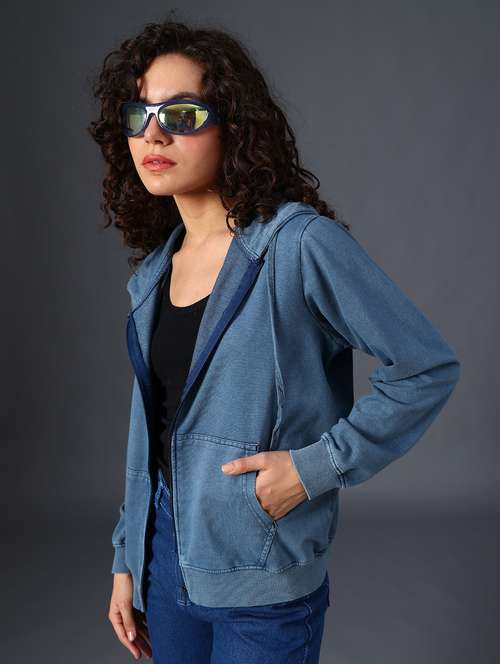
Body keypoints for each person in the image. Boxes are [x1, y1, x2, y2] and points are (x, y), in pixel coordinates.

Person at [87, 14, 461, 664]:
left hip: (261, 572)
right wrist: (128, 555)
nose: (154, 133)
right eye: (139, 114)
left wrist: (313, 470)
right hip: (163, 559)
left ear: (232, 124)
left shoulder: (298, 245)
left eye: (181, 114)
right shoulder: (156, 273)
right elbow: (153, 428)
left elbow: (425, 367)